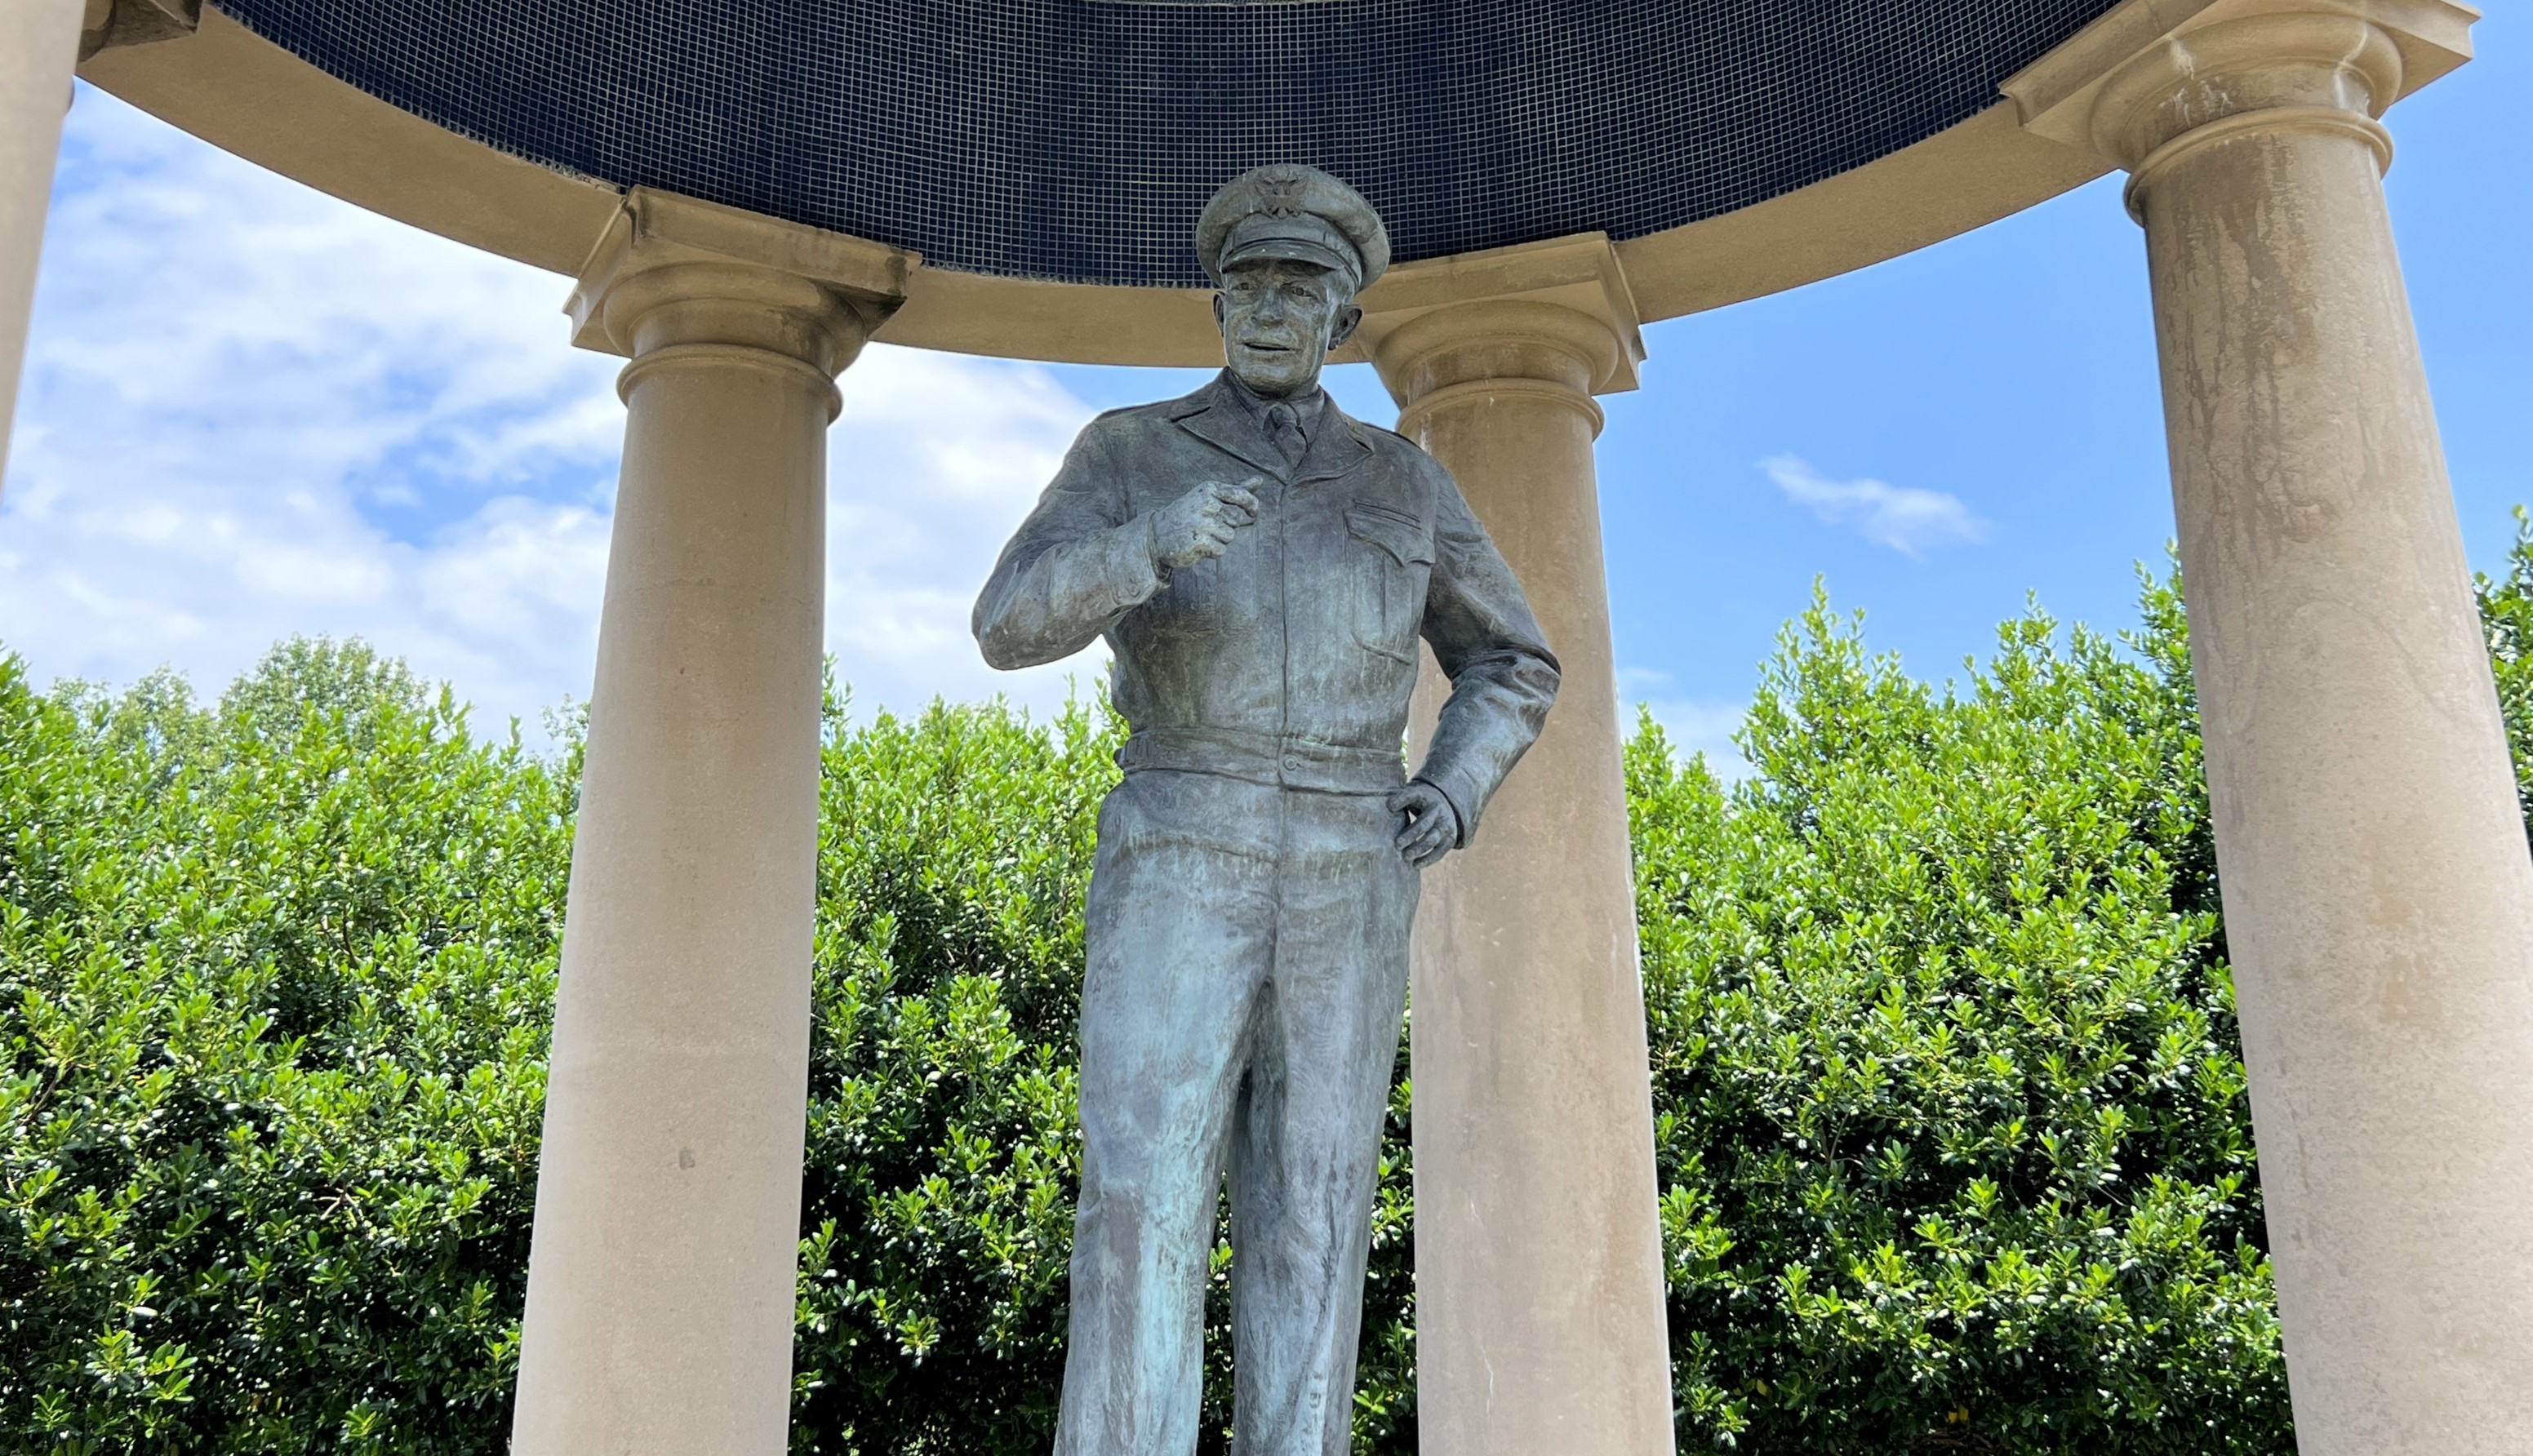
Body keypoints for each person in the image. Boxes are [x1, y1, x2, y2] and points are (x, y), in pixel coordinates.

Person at [973, 162, 1559, 1456]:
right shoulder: (1132, 452)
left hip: (1354, 853)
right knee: (1141, 1191)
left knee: (1316, 1203)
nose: (1268, 311)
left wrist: (1451, 788)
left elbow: (1515, 660)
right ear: (1218, 304)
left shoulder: (1402, 481)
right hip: (1182, 831)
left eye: (1300, 290)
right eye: (1247, 286)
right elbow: (1004, 626)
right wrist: (1145, 546)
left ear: (1345, 319)